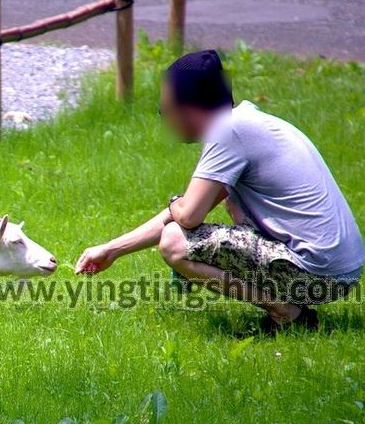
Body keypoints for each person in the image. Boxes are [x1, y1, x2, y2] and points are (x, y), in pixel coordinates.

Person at [74, 50, 364, 331]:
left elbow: (186, 217)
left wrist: (177, 203)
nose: (166, 120)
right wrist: (112, 249)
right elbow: (188, 210)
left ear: (186, 111)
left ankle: (287, 312)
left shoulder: (227, 131)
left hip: (320, 275)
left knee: (175, 241)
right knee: (229, 205)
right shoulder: (246, 122)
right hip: (340, 270)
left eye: (164, 111)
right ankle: (288, 306)